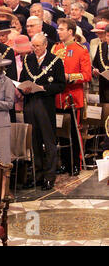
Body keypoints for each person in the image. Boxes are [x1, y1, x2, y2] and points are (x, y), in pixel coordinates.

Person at [19, 33, 66, 190]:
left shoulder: (55, 61)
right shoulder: (28, 59)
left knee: (49, 142)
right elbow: (22, 80)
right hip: (30, 103)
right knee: (34, 142)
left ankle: (49, 177)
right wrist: (24, 88)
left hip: (45, 105)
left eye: (38, 46)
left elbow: (61, 85)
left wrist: (45, 88)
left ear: (45, 45)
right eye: (33, 46)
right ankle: (37, 175)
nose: (35, 49)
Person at [54, 18, 92, 176]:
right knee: (61, 133)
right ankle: (64, 163)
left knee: (75, 134)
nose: (58, 31)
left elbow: (87, 75)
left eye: (62, 29)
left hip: (73, 97)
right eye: (58, 29)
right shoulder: (55, 48)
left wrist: (69, 76)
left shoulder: (80, 50)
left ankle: (76, 164)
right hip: (58, 98)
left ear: (70, 31)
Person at [92, 24, 109, 103]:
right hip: (104, 86)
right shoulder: (101, 46)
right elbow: (95, 64)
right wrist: (95, 70)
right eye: (108, 36)